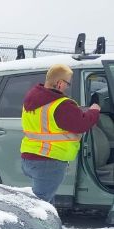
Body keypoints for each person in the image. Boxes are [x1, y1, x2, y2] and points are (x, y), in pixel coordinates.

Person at [20, 63, 101, 203]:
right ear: (59, 83)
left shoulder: (32, 98)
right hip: (49, 161)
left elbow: (53, 122)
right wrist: (94, 110)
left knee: (43, 203)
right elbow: (81, 124)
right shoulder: (61, 104)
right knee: (40, 207)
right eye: (67, 83)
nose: (67, 87)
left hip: (30, 158)